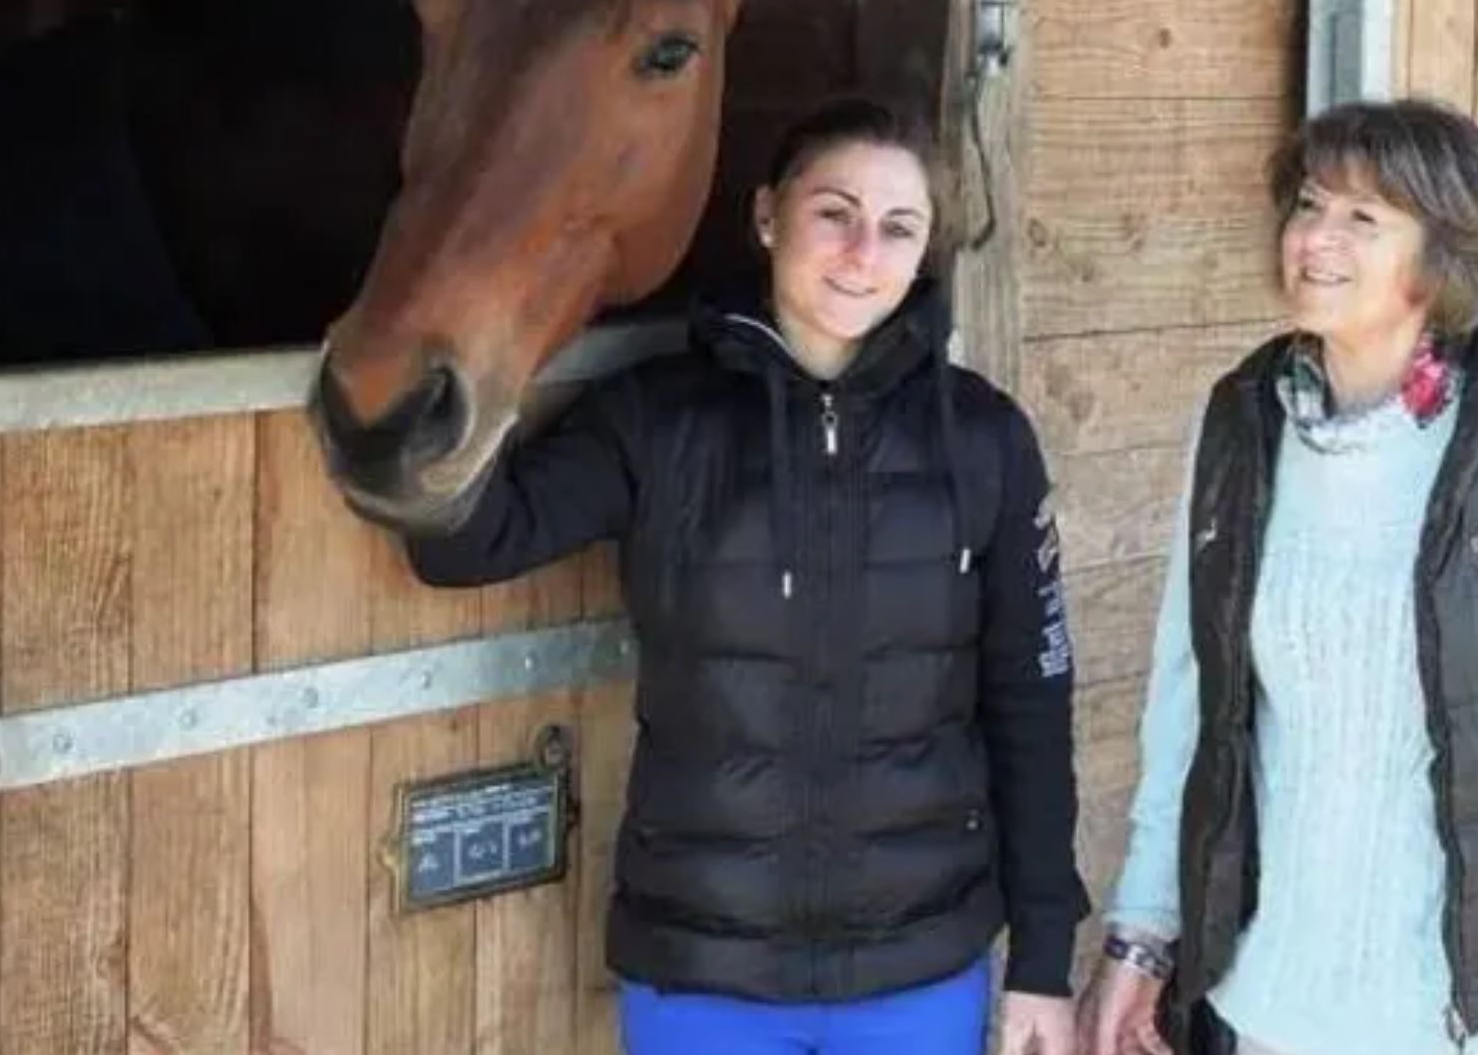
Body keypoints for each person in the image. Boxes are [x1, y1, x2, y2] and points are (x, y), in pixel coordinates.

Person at [380, 97, 1087, 1055]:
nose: (861, 251)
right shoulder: (660, 420)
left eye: (898, 227)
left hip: (918, 970)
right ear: (767, 216)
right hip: (704, 974)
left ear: (926, 252)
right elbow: (468, 544)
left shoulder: (984, 439)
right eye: (833, 212)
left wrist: (1043, 961)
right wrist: (454, 350)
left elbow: (1031, 703)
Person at [1080, 98, 1478, 1055]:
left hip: (1465, 1008)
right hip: (1271, 986)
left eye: (1362, 219)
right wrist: (1143, 934)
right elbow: (1188, 705)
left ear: (1443, 254)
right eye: (1310, 205)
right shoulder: (1242, 429)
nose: (1315, 238)